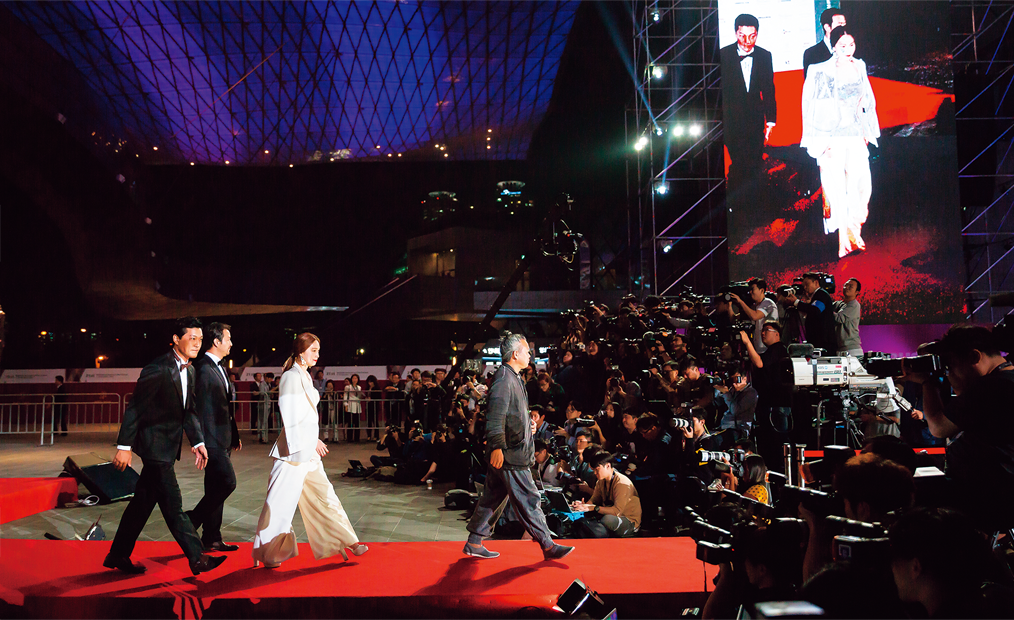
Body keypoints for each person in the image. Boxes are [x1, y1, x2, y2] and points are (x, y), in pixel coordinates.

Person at [105, 317, 225, 576]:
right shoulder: (157, 368)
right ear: (176, 339)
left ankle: (117, 555)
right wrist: (124, 446)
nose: (197, 343)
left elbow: (189, 412)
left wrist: (198, 441)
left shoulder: (190, 370)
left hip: (169, 448)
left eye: (200, 339)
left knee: (142, 504)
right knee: (174, 505)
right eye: (191, 338)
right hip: (154, 447)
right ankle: (197, 558)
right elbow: (136, 406)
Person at [252, 333, 366, 568]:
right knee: (279, 505)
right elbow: (290, 415)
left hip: (306, 452)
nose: (317, 354)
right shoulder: (291, 377)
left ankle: (348, 540)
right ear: (301, 351)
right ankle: (268, 553)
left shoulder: (303, 375)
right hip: (292, 453)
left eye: (318, 350)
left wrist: (311, 440)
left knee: (326, 496)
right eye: (313, 350)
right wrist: (311, 439)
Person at [463, 331, 575, 561]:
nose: (530, 355)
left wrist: (528, 428)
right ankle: (548, 545)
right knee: (529, 499)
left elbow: (510, 415)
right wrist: (496, 446)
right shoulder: (506, 379)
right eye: (526, 351)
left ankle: (474, 542)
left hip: (508, 452)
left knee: (491, 498)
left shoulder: (510, 376)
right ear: (515, 354)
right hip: (510, 455)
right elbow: (495, 416)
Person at [904, 324, 1014, 533]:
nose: (949, 375)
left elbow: (937, 427)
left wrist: (928, 382)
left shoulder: (990, 387)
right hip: (1001, 490)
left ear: (974, 357)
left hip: (990, 496)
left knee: (910, 498)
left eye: (952, 366)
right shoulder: (1008, 379)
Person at [801, 26, 880, 258]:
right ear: (833, 46)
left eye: (851, 45)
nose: (848, 50)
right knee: (838, 191)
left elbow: (869, 101)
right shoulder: (820, 70)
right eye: (843, 45)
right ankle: (845, 242)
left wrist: (868, 131)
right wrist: (818, 142)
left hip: (855, 136)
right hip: (832, 138)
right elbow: (810, 108)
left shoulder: (860, 66)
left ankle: (854, 227)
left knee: (862, 187)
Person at [187, 322, 242, 553]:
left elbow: (225, 407)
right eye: (228, 339)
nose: (231, 343)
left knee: (215, 487)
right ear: (217, 342)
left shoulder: (220, 367)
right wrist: (199, 441)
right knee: (228, 482)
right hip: (211, 440)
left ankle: (212, 538)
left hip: (223, 437)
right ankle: (189, 522)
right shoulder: (201, 369)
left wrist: (234, 435)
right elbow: (196, 408)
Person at [720, 13, 776, 226]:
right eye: (742, 35)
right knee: (740, 164)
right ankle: (736, 210)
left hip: (755, 122)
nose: (747, 41)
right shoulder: (723, 55)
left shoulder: (764, 55)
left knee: (754, 164)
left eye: (752, 36)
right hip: (731, 123)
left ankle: (755, 210)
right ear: (736, 33)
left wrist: (771, 120)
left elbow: (769, 89)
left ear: (757, 35)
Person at [739, 323, 792, 470]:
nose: (763, 334)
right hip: (769, 404)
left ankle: (783, 472)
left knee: (778, 442)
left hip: (777, 405)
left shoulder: (778, 349)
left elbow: (759, 363)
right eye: (761, 331)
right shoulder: (771, 351)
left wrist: (747, 342)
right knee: (770, 443)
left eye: (766, 331)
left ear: (777, 334)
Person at [570, 451, 641, 538]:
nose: (595, 473)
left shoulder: (622, 483)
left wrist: (593, 508)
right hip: (610, 516)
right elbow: (593, 500)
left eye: (597, 469)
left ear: (608, 466)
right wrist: (582, 506)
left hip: (628, 521)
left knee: (607, 519)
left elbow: (616, 511)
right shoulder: (600, 481)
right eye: (594, 470)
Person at [785, 273, 836, 353]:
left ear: (816, 282)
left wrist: (796, 302)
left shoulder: (822, 295)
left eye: (807, 284)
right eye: (803, 285)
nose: (805, 287)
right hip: (817, 341)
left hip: (823, 342)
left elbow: (815, 310)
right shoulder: (816, 296)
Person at [729, 278, 778, 353]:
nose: (750, 292)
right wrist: (729, 306)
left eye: (753, 289)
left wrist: (741, 302)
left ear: (762, 290)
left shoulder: (768, 303)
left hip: (768, 349)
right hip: (759, 349)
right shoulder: (754, 307)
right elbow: (734, 319)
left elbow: (754, 316)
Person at [803, 8, 847, 78]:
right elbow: (811, 84)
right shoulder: (812, 53)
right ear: (827, 27)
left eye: (844, 24)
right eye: (840, 24)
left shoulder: (851, 49)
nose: (843, 28)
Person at [715, 371, 759, 438]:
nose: (734, 384)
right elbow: (718, 404)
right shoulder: (732, 390)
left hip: (739, 429)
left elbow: (735, 411)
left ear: (745, 379)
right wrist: (718, 388)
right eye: (732, 380)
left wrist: (726, 393)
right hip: (725, 427)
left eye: (737, 379)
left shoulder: (751, 393)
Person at [834, 277, 863, 356]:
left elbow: (839, 318)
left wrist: (826, 311)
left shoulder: (854, 305)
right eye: (846, 285)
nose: (847, 288)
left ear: (857, 292)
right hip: (840, 349)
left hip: (852, 350)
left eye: (851, 287)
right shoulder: (838, 304)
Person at [343, 373, 363, 443]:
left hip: (357, 406)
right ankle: (349, 438)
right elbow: (345, 396)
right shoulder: (348, 387)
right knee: (350, 423)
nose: (354, 380)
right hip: (350, 406)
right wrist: (345, 405)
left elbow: (360, 396)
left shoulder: (359, 387)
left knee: (357, 423)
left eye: (356, 378)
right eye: (353, 378)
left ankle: (357, 438)